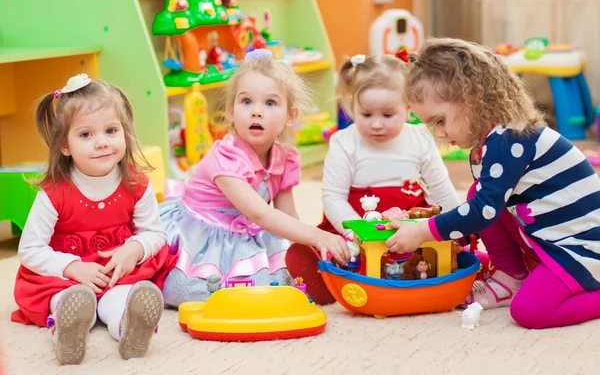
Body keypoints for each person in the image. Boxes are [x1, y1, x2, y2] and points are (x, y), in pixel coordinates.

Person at [386, 38, 600, 329]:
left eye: (440, 121)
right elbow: (486, 203)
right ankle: (511, 277)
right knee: (479, 193)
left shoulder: (508, 139)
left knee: (530, 311)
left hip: (579, 247)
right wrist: (451, 235)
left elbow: (484, 211)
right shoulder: (490, 138)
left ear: (472, 99)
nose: (439, 134)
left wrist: (425, 231)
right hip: (547, 237)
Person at [160, 49, 350, 307]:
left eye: (270, 103)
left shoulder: (285, 157)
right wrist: (318, 236)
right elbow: (261, 214)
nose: (256, 112)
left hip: (243, 233)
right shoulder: (226, 158)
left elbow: (287, 217)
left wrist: (314, 250)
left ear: (290, 116)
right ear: (231, 110)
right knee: (184, 288)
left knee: (283, 277)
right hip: (201, 232)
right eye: (246, 102)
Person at [11, 74, 177, 364]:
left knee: (121, 297)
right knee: (65, 298)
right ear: (65, 145)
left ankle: (128, 326)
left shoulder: (136, 183)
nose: (101, 143)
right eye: (86, 135)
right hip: (66, 276)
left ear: (124, 133)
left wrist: (134, 249)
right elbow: (30, 250)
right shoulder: (55, 193)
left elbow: (154, 232)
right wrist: (72, 267)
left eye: (111, 131)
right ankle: (66, 330)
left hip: (116, 271)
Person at [286, 53, 459, 304]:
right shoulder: (344, 143)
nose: (376, 124)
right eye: (366, 115)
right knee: (336, 252)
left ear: (408, 107)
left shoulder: (419, 138)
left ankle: (415, 273)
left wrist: (455, 226)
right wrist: (357, 234)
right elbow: (333, 197)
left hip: (409, 225)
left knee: (439, 252)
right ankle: (327, 274)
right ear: (353, 107)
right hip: (355, 227)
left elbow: (440, 189)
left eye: (388, 115)